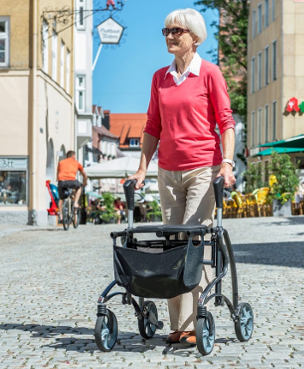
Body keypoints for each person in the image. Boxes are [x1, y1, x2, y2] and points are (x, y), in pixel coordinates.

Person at [127, 8, 236, 346]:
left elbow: (226, 122)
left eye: (177, 31)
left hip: (204, 167)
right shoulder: (160, 78)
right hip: (168, 172)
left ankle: (192, 322)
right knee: (172, 244)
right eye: (166, 31)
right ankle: (178, 325)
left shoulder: (209, 74)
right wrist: (143, 168)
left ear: (194, 37)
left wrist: (228, 163)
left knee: (192, 240)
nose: (170, 36)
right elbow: (152, 127)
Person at [57, 150, 88, 218]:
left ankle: (61, 215)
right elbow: (84, 174)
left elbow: (58, 172)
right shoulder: (76, 163)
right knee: (79, 187)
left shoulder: (61, 162)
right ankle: (75, 203)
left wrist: (59, 180)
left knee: (61, 198)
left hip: (61, 181)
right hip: (71, 181)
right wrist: (85, 182)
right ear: (73, 156)